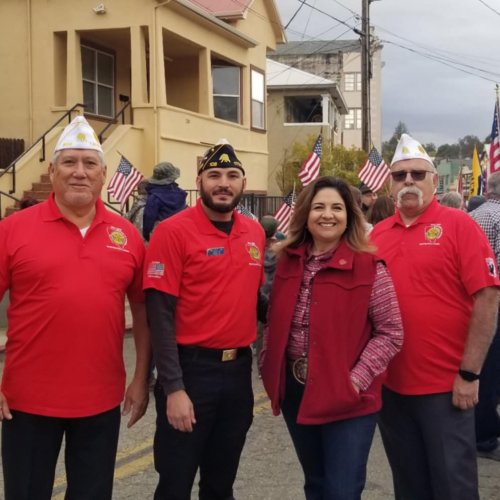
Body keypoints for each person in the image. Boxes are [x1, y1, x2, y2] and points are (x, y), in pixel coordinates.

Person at [0, 116, 151, 500]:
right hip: (26, 400)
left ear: (103, 175)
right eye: (69, 162)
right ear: (52, 171)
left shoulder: (128, 236)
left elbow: (145, 312)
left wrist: (140, 378)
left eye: (89, 164)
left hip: (100, 400)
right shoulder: (12, 230)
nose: (79, 172)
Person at [371, 133, 500, 500]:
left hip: (446, 389)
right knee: (409, 486)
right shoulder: (377, 235)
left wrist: (470, 373)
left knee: (453, 487)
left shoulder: (461, 225)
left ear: (433, 180)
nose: (408, 181)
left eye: (417, 173)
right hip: (391, 389)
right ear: (390, 182)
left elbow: (488, 297)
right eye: (400, 175)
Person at [260, 176, 403, 500]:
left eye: (337, 208)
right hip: (296, 391)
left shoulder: (369, 266)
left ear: (350, 216)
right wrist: (267, 364)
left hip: (348, 398)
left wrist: (353, 381)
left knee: (342, 490)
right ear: (306, 215)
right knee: (316, 482)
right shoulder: (287, 261)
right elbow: (273, 320)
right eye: (319, 207)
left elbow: (391, 332)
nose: (328, 215)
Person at [143, 139, 265, 500]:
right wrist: (174, 388)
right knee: (175, 482)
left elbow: (254, 300)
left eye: (231, 175)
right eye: (214, 175)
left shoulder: (254, 232)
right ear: (200, 181)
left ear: (243, 183)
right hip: (190, 371)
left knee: (221, 482)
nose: (223, 183)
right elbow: (159, 315)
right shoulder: (172, 231)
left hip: (237, 372)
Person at [469, 172, 500, 460]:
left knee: (486, 367)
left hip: (474, 296)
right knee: (491, 369)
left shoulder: (473, 216)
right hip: (494, 299)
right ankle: (486, 435)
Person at [142, 162, 187, 241]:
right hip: (181, 232)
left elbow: (148, 218)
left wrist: (146, 234)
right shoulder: (180, 193)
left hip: (163, 234)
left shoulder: (154, 198)